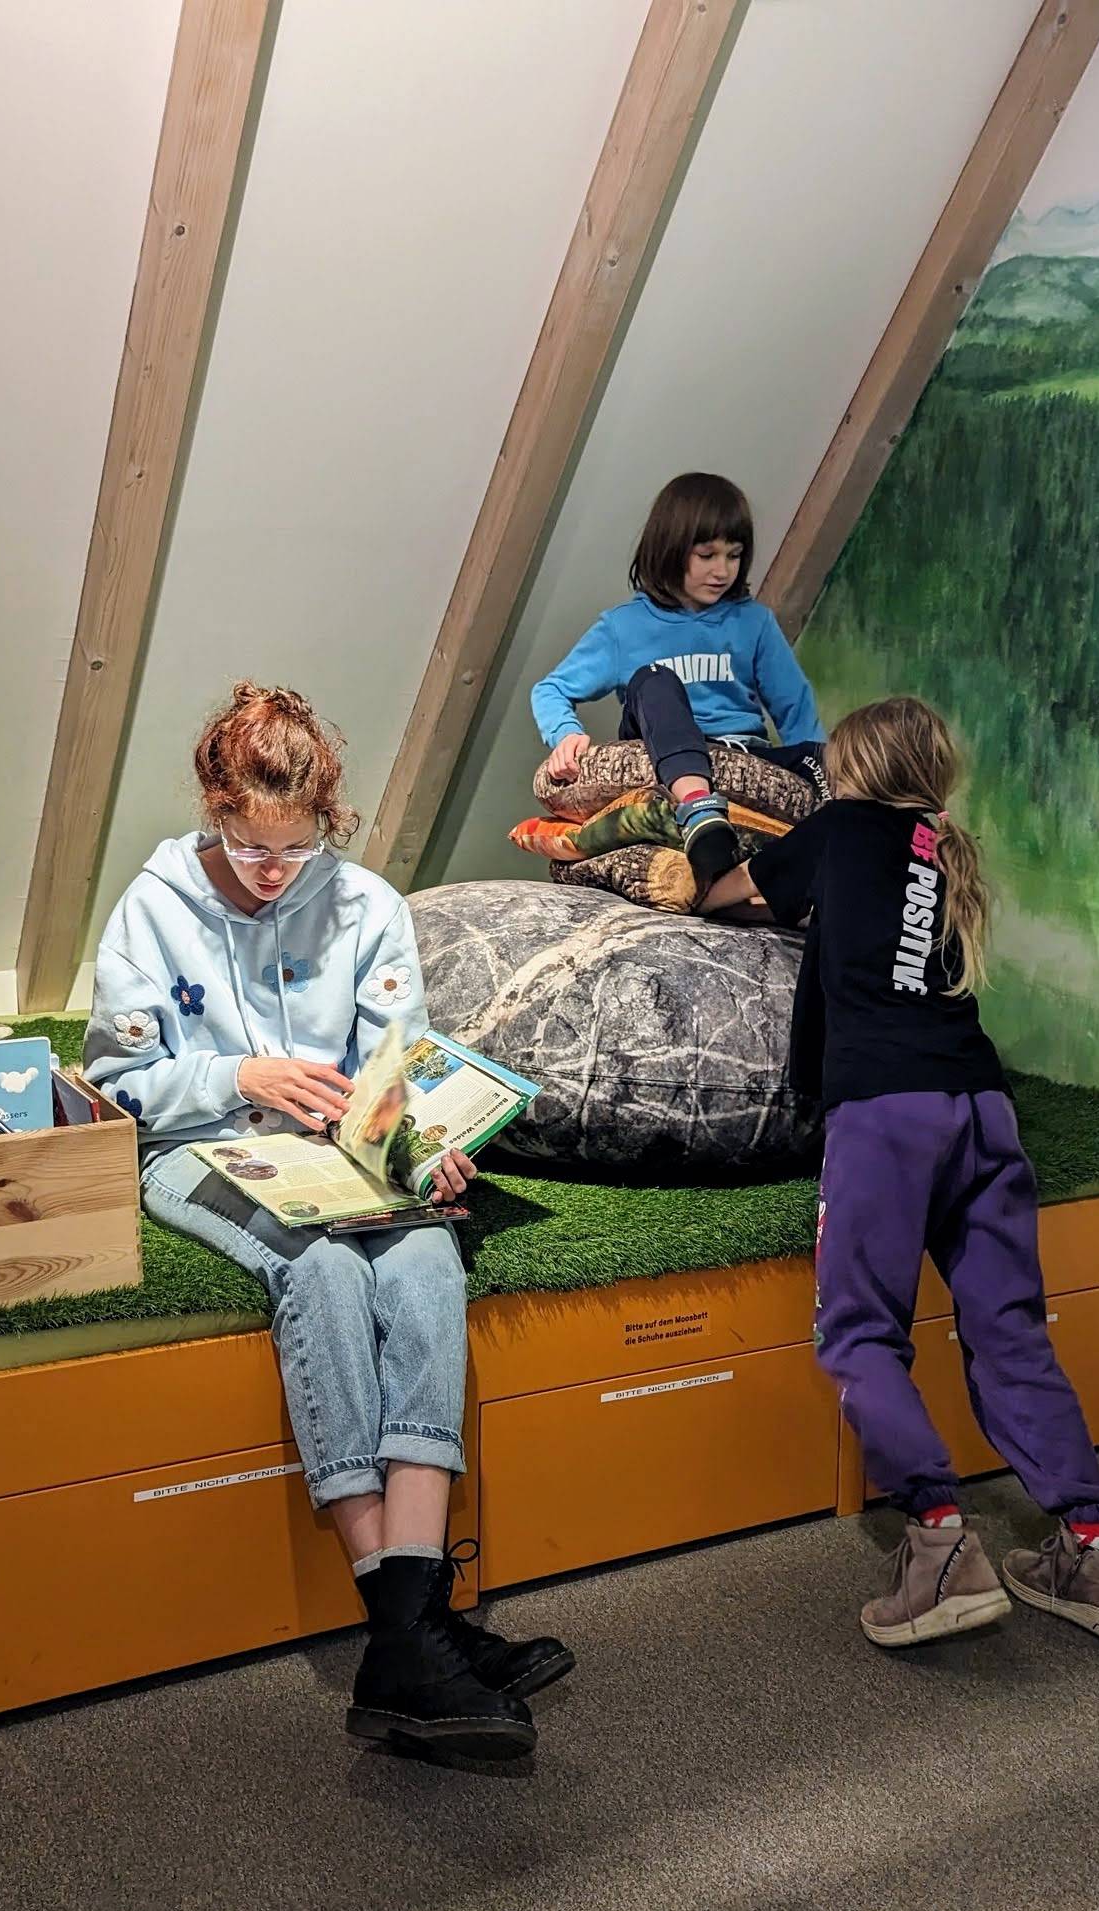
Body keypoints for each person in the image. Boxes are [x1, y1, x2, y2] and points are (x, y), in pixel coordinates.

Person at [86, 683, 572, 1758]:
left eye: (296, 848)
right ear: (215, 809)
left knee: (428, 1257)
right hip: (197, 1147)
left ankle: (409, 1631)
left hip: (344, 1156)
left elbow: (397, 1072)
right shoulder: (151, 907)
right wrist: (236, 1074)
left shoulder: (366, 904)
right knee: (324, 1272)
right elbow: (117, 1086)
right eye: (249, 846)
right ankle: (415, 1631)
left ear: (327, 821)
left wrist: (428, 1146)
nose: (272, 870)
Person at [701, 696, 1099, 1648]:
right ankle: (1097, 1550)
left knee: (861, 1332)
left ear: (851, 770)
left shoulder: (837, 830)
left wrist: (708, 830)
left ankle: (941, 1544)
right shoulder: (942, 848)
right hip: (982, 1107)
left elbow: (724, 894)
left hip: (886, 1115)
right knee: (1011, 1332)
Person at [531, 472, 827, 900]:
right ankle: (697, 808)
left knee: (835, 754)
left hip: (744, 750)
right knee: (653, 678)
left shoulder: (754, 622)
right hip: (661, 747)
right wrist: (566, 735)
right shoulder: (623, 627)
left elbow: (796, 709)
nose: (722, 571)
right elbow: (551, 689)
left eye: (734, 556)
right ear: (670, 550)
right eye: (707, 555)